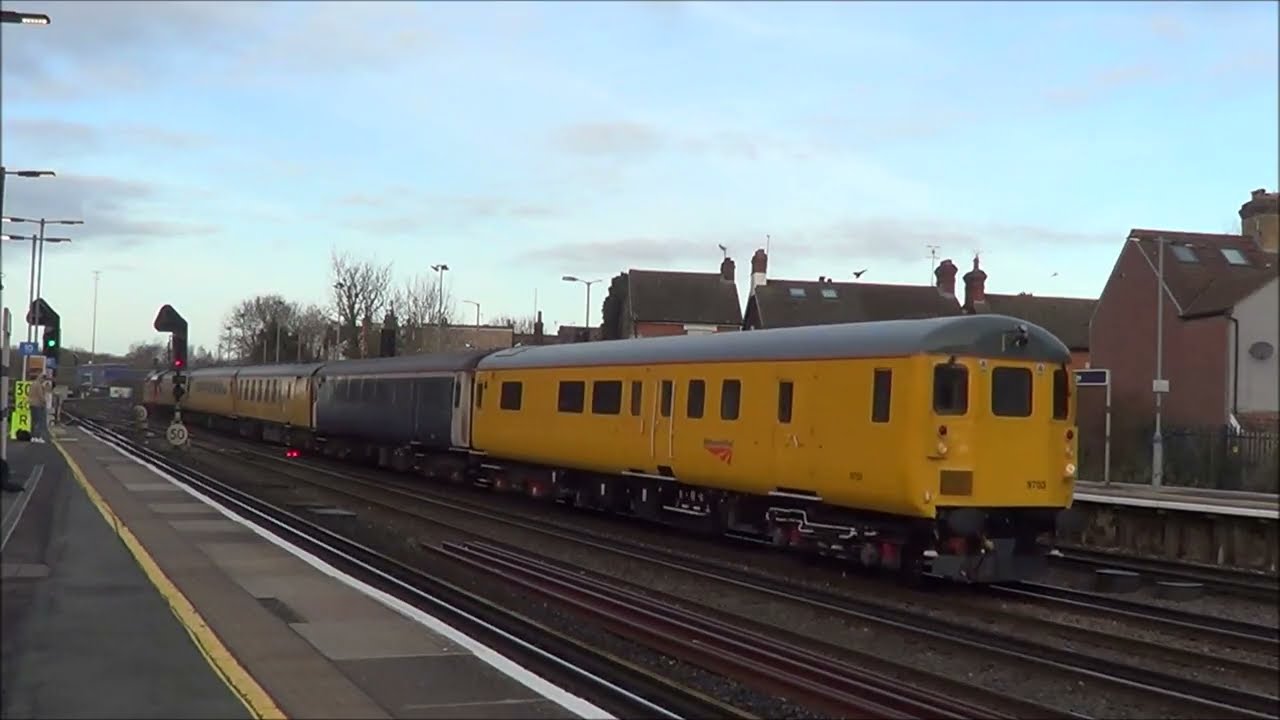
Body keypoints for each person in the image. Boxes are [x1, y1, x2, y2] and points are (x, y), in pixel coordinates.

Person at [28, 373, 48, 445]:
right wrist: (44, 402)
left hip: (32, 404)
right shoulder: (38, 385)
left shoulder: (33, 384)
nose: (43, 381)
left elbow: (29, 394)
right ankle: (37, 437)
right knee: (38, 422)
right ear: (41, 378)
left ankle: (33, 437)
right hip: (38, 405)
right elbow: (41, 395)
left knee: (33, 421)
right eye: (43, 379)